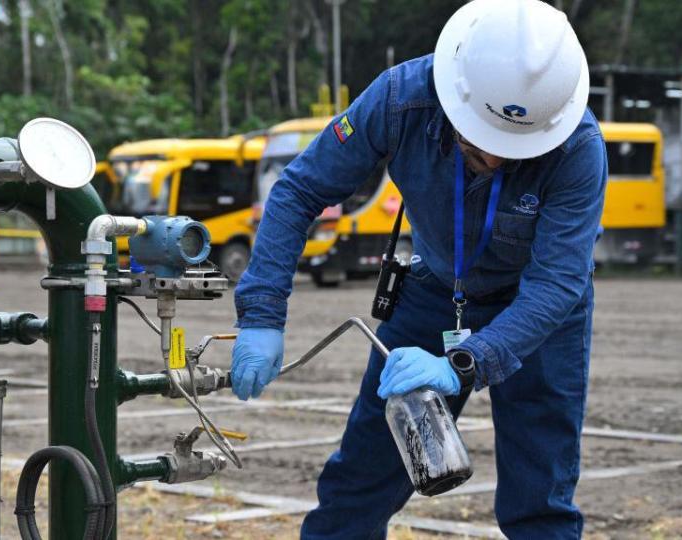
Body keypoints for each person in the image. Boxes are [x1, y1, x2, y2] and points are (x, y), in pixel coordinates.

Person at [229, 0, 608, 538]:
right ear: (456, 98)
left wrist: (465, 361)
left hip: (540, 310)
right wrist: (262, 313)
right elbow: (299, 191)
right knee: (358, 486)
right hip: (435, 291)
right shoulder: (399, 99)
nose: (496, 160)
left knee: (539, 499)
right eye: (484, 141)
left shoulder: (578, 147)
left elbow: (557, 283)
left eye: (513, 148)